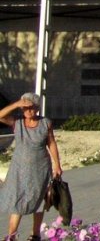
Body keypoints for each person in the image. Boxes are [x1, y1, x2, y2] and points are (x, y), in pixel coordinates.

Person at [0, 93, 63, 240]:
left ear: (37, 108)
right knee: (18, 201)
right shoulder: (18, 123)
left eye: (33, 108)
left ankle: (35, 235)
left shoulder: (45, 123)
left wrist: (57, 165)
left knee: (39, 201)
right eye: (26, 108)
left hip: (40, 169)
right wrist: (16, 104)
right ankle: (11, 236)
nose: (29, 111)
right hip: (19, 170)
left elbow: (51, 143)